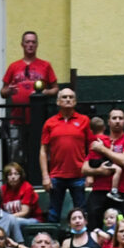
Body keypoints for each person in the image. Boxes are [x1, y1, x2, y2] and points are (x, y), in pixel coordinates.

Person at [39, 88, 93, 222]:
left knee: (81, 213)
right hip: (56, 175)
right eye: (64, 97)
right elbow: (43, 151)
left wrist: (91, 173)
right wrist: (45, 176)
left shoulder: (84, 120)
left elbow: (92, 147)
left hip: (79, 175)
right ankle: (53, 241)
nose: (67, 99)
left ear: (75, 101)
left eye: (70, 97)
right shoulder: (49, 123)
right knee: (53, 213)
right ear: (58, 102)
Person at [0, 30, 59, 152]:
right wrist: (8, 91)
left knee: (38, 151)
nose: (30, 45)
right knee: (15, 152)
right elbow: (2, 92)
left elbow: (56, 89)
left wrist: (45, 93)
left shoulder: (45, 65)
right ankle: (16, 172)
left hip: (39, 117)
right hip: (17, 118)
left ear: (37, 44)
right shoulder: (13, 66)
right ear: (22, 44)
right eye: (27, 42)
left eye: (33, 42)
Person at [81, 107, 124, 226]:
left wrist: (103, 149)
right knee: (93, 227)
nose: (117, 121)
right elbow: (84, 168)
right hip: (98, 191)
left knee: (120, 227)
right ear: (108, 122)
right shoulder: (99, 140)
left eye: (120, 118)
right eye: (114, 118)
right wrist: (100, 171)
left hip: (119, 194)